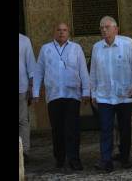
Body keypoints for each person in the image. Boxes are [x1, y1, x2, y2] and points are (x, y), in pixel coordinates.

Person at [32, 23, 90, 170]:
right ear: (54, 32)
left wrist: (86, 92)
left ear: (68, 32)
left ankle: (74, 159)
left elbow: (83, 70)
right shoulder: (46, 49)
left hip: (72, 94)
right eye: (58, 30)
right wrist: (36, 92)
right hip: (54, 95)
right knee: (57, 129)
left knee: (72, 128)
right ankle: (59, 157)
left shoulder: (76, 48)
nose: (61, 33)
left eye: (64, 30)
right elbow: (39, 71)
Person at [90, 16, 132, 172]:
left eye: (107, 27)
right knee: (105, 128)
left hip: (124, 94)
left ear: (116, 29)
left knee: (125, 128)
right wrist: (93, 93)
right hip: (104, 95)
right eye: (102, 27)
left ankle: (124, 157)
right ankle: (106, 160)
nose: (104, 30)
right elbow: (94, 72)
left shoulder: (127, 43)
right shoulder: (97, 47)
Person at [19, 33, 36, 164]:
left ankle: (24, 152)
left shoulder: (24, 40)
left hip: (21, 87)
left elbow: (31, 66)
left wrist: (32, 87)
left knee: (23, 120)